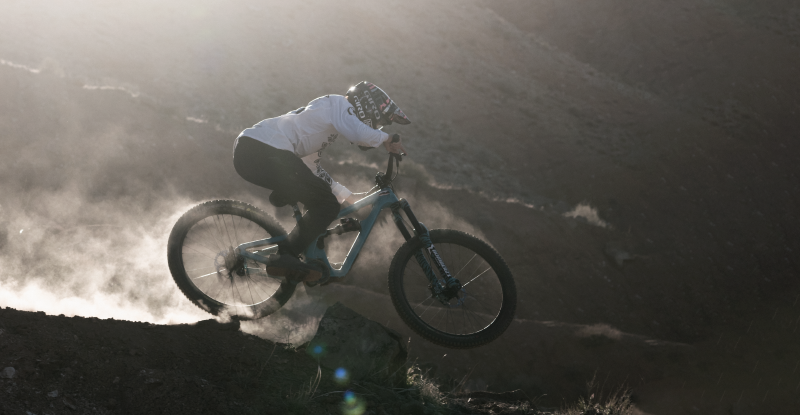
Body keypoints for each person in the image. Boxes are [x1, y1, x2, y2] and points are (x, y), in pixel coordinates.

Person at [232, 81, 409, 282]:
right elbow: (358, 133)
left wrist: (349, 198)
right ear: (368, 107)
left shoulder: (323, 125)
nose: (379, 127)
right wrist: (387, 138)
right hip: (262, 149)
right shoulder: (338, 104)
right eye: (380, 122)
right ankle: (285, 256)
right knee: (327, 204)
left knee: (322, 196)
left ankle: (295, 248)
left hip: (255, 153)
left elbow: (312, 169)